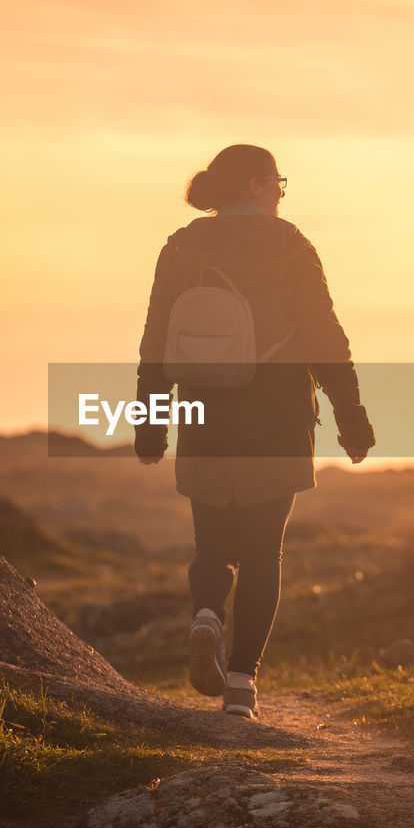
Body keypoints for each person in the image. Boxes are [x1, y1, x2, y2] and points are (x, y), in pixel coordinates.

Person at [134, 144, 374, 719]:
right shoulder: (291, 245)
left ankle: (206, 616)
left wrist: (151, 422)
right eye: (277, 182)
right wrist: (351, 414)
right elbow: (325, 337)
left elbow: (155, 341)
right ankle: (241, 685)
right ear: (253, 186)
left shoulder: (181, 246)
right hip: (279, 414)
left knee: (211, 543)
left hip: (204, 412)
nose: (281, 193)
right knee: (265, 551)